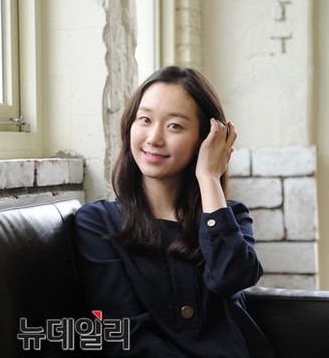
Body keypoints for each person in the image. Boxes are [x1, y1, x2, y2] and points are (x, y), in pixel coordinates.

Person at [73, 65, 275, 357]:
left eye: (175, 126)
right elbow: (122, 336)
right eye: (145, 119)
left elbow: (230, 278)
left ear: (205, 140)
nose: (154, 138)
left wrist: (209, 178)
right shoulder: (98, 223)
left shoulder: (229, 216)